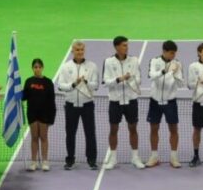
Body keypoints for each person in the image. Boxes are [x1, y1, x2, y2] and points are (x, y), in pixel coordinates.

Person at [55, 41, 99, 170]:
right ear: (72, 51)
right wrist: (73, 84)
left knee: (90, 133)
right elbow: (60, 86)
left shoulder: (92, 66)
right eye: (77, 50)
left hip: (87, 105)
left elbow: (95, 85)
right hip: (71, 105)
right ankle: (70, 160)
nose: (80, 52)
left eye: (81, 49)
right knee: (70, 133)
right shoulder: (65, 67)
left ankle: (91, 160)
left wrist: (86, 82)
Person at [102, 36, 144, 170]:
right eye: (124, 45)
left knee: (133, 128)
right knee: (113, 129)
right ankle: (113, 158)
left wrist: (131, 79)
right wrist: (120, 79)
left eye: (127, 45)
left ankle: (135, 157)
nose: (127, 47)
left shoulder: (134, 61)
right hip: (115, 101)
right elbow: (106, 82)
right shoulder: (108, 62)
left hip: (131, 101)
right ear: (117, 47)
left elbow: (138, 79)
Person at [146, 40, 184, 168]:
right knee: (154, 129)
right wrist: (166, 71)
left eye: (174, 53)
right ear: (164, 51)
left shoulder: (177, 63)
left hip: (170, 102)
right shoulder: (154, 61)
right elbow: (151, 76)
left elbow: (180, 84)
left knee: (173, 129)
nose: (173, 56)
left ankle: (174, 157)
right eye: (171, 53)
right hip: (155, 101)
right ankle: (154, 156)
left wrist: (175, 73)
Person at [22, 58, 56, 171]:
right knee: (34, 137)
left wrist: (52, 117)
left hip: (44, 114)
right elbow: (24, 97)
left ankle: (45, 161)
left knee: (44, 137)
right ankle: (33, 162)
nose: (37, 69)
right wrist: (16, 93)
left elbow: (52, 100)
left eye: (39, 67)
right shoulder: (28, 81)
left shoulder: (48, 82)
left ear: (42, 68)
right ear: (32, 68)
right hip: (32, 113)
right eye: (35, 67)